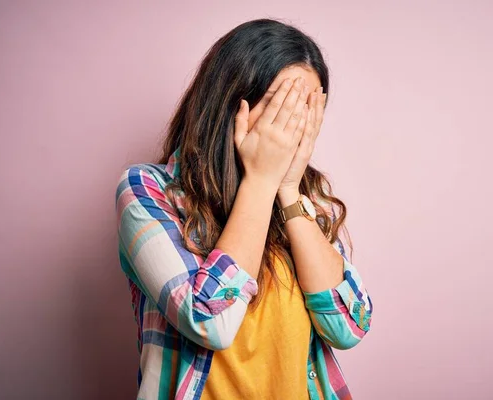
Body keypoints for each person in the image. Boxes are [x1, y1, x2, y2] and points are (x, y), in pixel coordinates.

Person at [115, 18, 373, 400]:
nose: (290, 125)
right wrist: (260, 181)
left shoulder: (309, 199)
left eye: (304, 109)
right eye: (278, 106)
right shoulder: (147, 190)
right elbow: (210, 322)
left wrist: (286, 189)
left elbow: (348, 326)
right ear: (228, 101)